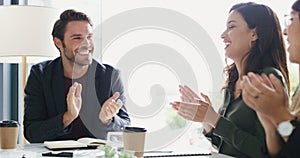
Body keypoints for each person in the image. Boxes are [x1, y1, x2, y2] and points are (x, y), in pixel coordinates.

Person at [170, 2, 290, 158]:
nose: (222, 35)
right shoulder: (233, 82)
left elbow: (267, 152)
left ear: (254, 34)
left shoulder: (268, 80)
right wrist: (206, 119)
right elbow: (227, 146)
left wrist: (214, 118)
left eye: (231, 27)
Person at [23, 9, 130, 143]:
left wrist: (108, 119)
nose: (87, 44)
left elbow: (127, 128)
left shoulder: (110, 76)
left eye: (89, 37)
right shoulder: (40, 74)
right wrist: (68, 117)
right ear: (58, 43)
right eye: (77, 38)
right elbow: (31, 132)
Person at [241, 1, 300, 157]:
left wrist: (278, 114)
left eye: (292, 19)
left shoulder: (269, 76)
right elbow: (290, 144)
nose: (285, 31)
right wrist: (271, 129)